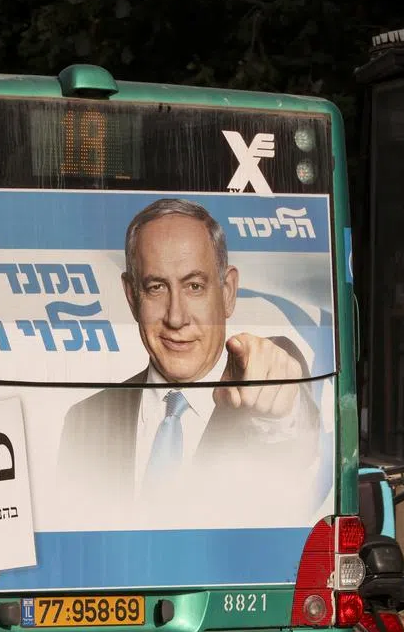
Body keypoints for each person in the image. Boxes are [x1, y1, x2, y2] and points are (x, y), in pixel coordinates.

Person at [57, 197, 321, 506]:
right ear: (131, 296)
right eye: (156, 287)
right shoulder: (85, 420)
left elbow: (297, 441)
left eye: (194, 286)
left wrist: (282, 408)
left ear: (227, 292)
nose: (176, 317)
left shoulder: (260, 380)